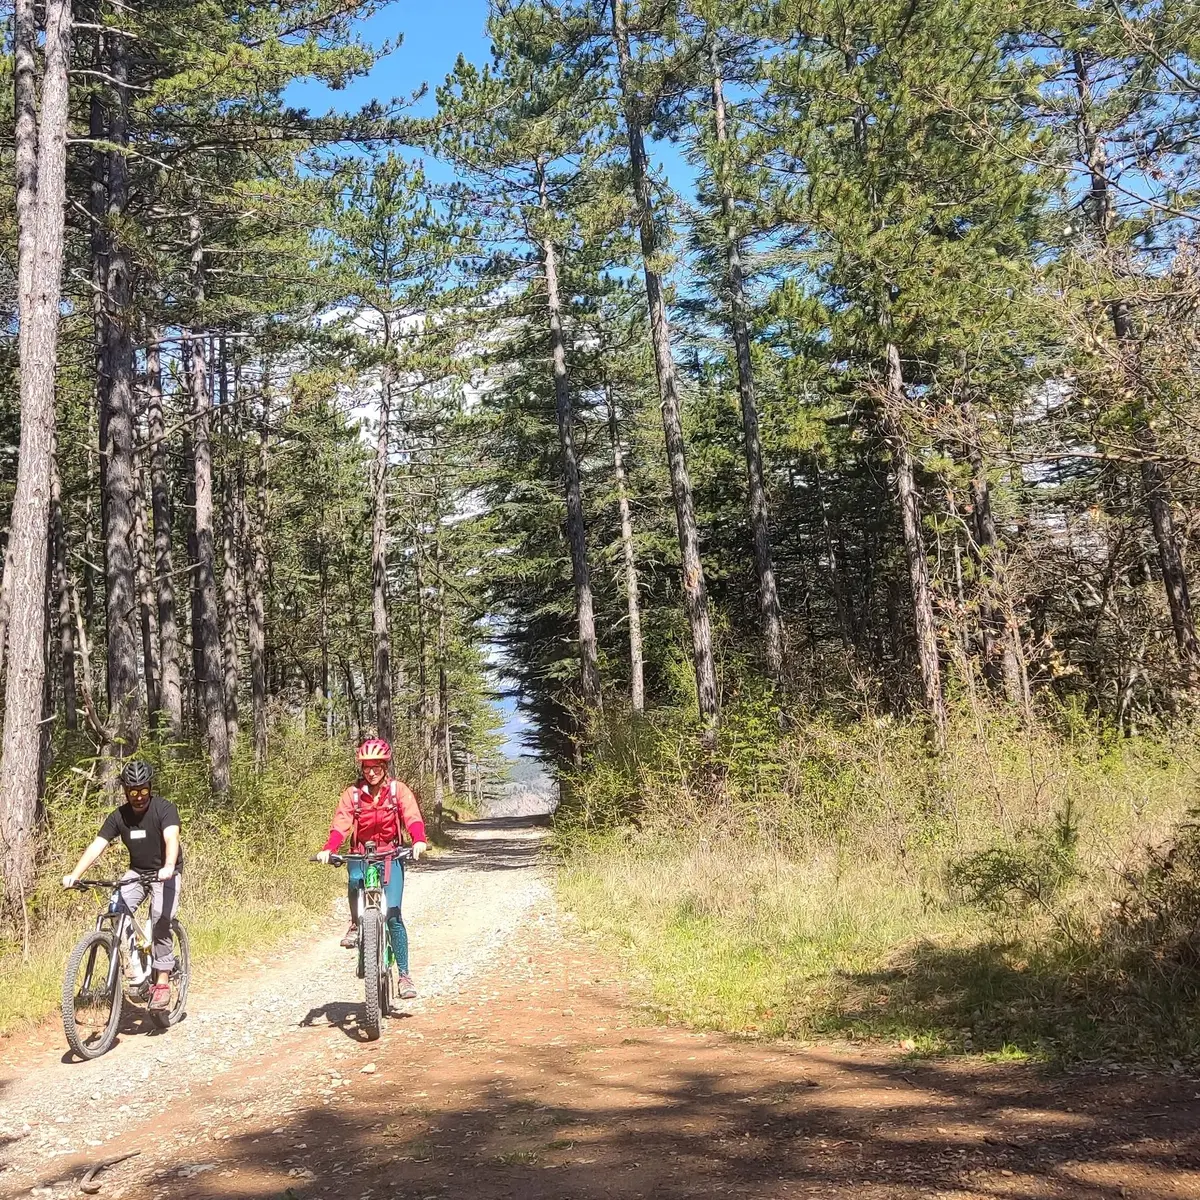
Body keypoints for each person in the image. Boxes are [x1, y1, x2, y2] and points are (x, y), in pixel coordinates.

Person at [62, 760, 183, 1011]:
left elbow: (171, 837)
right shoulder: (119, 816)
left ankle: (162, 980)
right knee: (116, 910)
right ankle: (134, 969)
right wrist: (74, 874)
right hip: (137, 872)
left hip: (165, 873)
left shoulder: (164, 809)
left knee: (161, 918)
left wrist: (169, 866)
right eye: (133, 792)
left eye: (143, 791)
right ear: (126, 791)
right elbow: (98, 845)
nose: (138, 797)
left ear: (150, 787)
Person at [316, 737, 427, 1000]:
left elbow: (412, 816)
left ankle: (404, 975)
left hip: (391, 855)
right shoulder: (352, 794)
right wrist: (330, 847)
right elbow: (341, 824)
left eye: (376, 766)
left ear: (385, 766)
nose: (371, 771)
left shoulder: (398, 791)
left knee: (394, 915)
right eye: (367, 767)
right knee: (355, 879)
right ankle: (356, 924)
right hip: (360, 854)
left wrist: (419, 840)